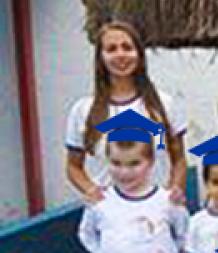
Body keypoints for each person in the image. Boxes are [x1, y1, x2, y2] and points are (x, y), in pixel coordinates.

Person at [77, 110, 188, 253]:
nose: (125, 172)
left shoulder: (166, 201)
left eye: (134, 163)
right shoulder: (100, 202)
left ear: (151, 161)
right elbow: (87, 234)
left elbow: (182, 235)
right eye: (116, 163)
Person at [65, 18, 188, 202]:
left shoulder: (164, 105)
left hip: (157, 217)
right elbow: (73, 166)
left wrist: (173, 191)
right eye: (111, 49)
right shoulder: (83, 110)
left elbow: (179, 160)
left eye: (127, 47)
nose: (120, 55)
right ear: (101, 57)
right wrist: (91, 191)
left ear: (139, 54)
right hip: (111, 218)